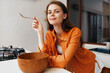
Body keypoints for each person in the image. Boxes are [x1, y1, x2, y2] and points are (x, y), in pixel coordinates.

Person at [32, 1, 104, 73]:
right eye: (49, 12)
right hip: (69, 68)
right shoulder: (49, 34)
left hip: (87, 64)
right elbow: (43, 56)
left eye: (56, 12)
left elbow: (64, 60)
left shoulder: (75, 32)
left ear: (64, 16)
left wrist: (47, 59)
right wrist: (40, 33)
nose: (52, 14)